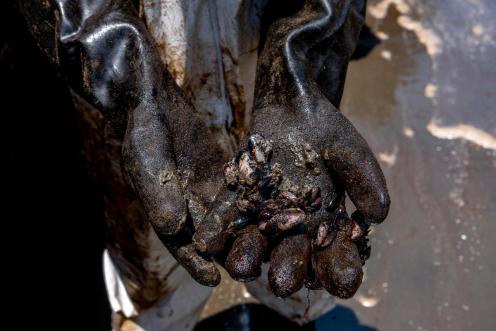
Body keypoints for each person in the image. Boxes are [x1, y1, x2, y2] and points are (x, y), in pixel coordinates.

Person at [15, 0, 389, 329]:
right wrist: (118, 63)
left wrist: (309, 39)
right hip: (134, 22)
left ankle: (291, 309)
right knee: (155, 234)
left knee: (291, 255)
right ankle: (154, 314)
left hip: (260, 20)